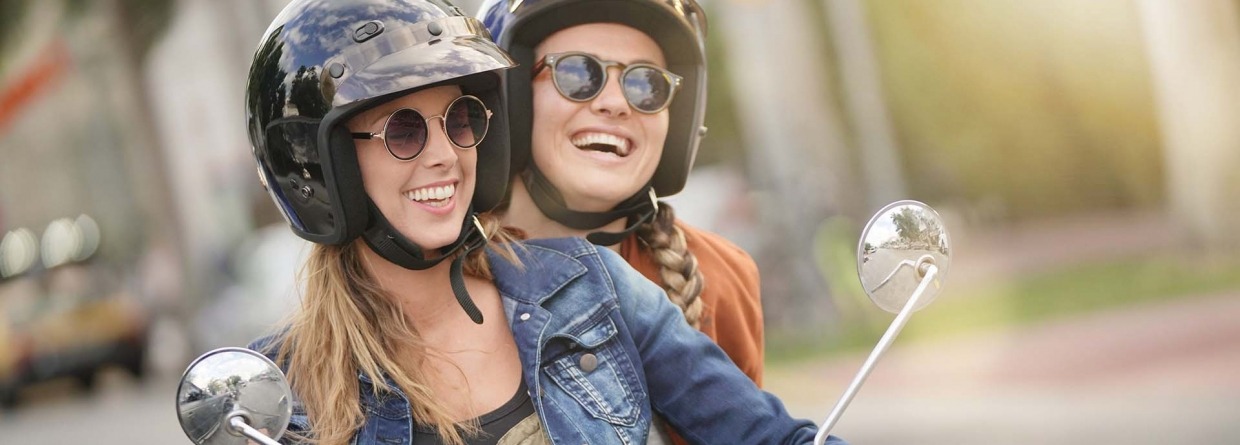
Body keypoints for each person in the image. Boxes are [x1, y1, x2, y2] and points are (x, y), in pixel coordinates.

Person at [243, 0, 845, 444]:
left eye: (460, 121)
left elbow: (777, 438)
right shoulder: (275, 391)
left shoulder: (592, 287)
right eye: (403, 130)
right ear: (321, 165)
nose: (445, 154)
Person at [477, 0, 768, 387]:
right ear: (510, 99)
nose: (615, 104)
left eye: (645, 83)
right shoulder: (430, 282)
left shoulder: (719, 276)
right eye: (577, 72)